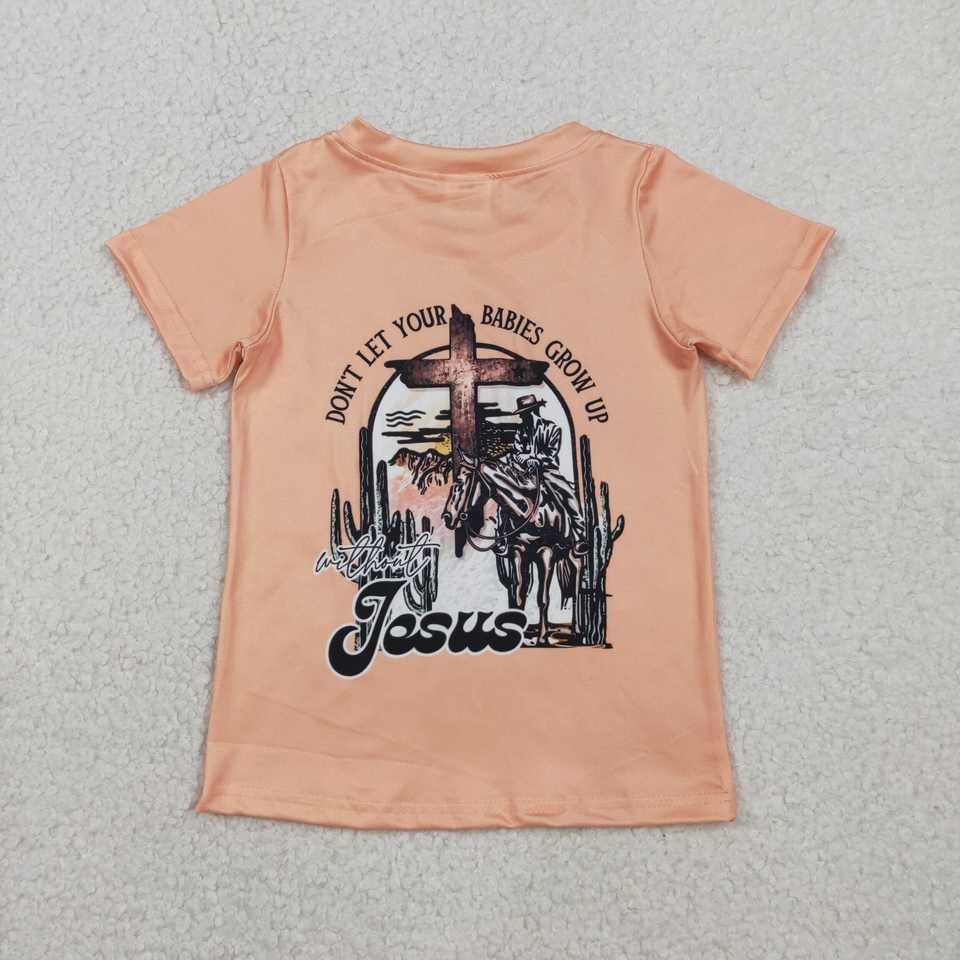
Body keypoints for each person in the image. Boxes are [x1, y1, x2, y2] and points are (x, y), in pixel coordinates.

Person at [496, 395, 589, 556]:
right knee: (505, 496)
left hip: (547, 471)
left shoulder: (552, 429)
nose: (522, 417)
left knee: (567, 494)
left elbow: (551, 454)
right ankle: (503, 537)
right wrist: (519, 458)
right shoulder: (521, 431)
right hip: (524, 472)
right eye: (522, 414)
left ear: (534, 411)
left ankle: (580, 536)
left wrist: (533, 458)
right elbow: (517, 450)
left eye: (525, 414)